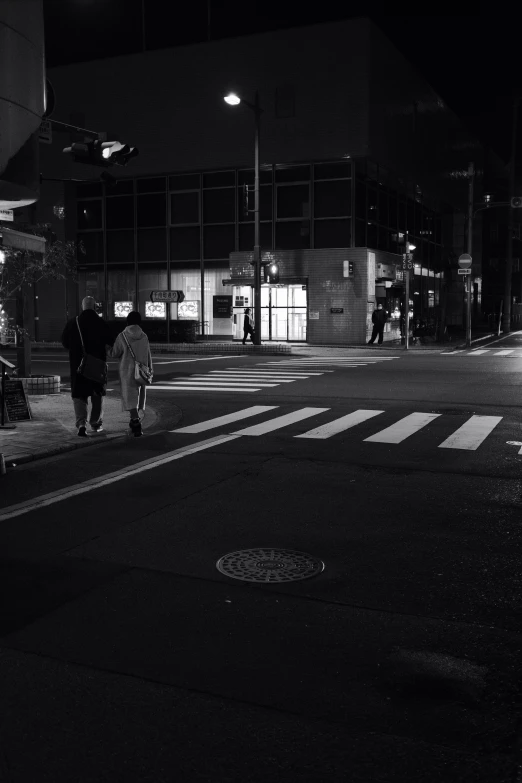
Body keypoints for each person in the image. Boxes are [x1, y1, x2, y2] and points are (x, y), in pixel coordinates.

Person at [61, 296, 114, 436]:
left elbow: (65, 343)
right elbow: (111, 341)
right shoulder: (101, 323)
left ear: (82, 306)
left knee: (79, 395)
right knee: (97, 394)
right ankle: (96, 424)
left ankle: (81, 424)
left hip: (79, 366)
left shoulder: (74, 322)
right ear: (94, 307)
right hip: (97, 366)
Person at [109, 311, 152, 437]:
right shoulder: (144, 336)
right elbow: (148, 354)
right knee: (138, 397)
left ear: (127, 321)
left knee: (129, 397)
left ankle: (135, 422)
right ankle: (134, 422)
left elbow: (114, 353)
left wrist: (107, 349)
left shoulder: (122, 336)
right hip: (142, 371)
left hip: (127, 371)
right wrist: (149, 369)